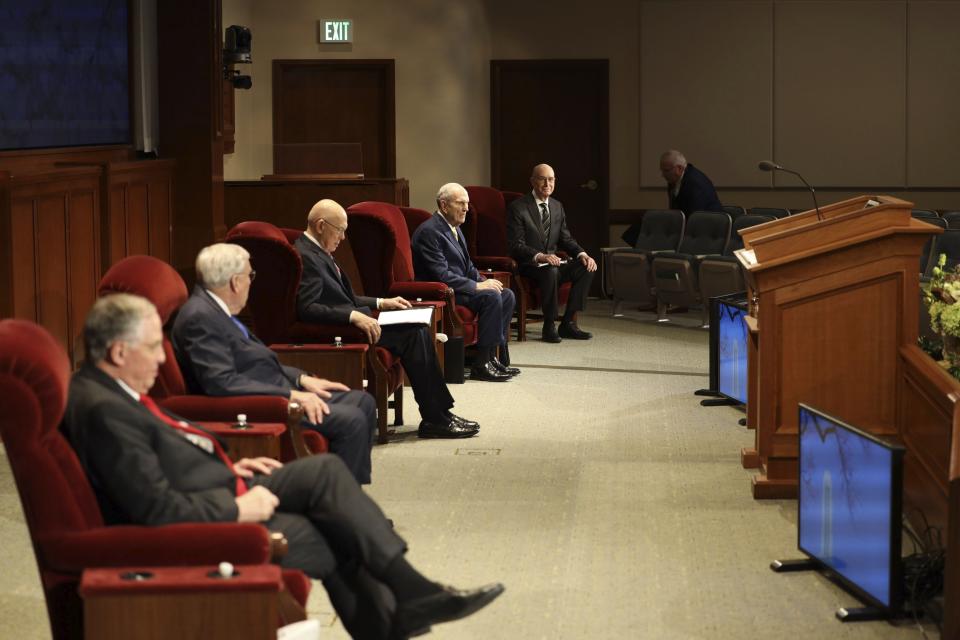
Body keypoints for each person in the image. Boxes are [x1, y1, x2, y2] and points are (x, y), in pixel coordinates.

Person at [63, 293, 504, 640]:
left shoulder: (109, 388)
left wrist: (233, 468)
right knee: (330, 532)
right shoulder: (104, 411)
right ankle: (406, 603)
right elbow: (154, 509)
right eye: (153, 347)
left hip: (222, 482)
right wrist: (237, 508)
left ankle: (409, 593)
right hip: (205, 519)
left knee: (326, 474)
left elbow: (169, 443)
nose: (162, 359)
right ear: (120, 351)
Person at [170, 243, 375, 485]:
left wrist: (301, 379)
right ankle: (346, 510)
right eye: (250, 275)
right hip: (266, 403)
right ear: (235, 282)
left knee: (363, 401)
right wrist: (291, 395)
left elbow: (255, 359)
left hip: (276, 386)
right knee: (351, 420)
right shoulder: (200, 318)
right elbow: (222, 383)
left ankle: (350, 497)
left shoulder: (216, 309)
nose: (251, 282)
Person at [294, 199, 480, 438]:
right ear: (321, 225)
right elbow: (307, 308)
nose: (342, 238)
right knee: (414, 334)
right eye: (340, 230)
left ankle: (440, 414)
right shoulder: (306, 255)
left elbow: (347, 297)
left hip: (356, 322)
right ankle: (436, 418)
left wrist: (383, 303)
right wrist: (353, 316)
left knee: (419, 328)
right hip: (343, 330)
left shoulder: (318, 251)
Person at [411, 183, 519, 382]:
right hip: (443, 292)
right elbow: (441, 274)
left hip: (459, 288)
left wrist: (485, 281)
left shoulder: (455, 228)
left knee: (506, 294)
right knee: (491, 297)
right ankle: (481, 365)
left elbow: (468, 266)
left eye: (467, 203)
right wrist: (477, 286)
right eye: (461, 203)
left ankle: (492, 357)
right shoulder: (430, 232)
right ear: (444, 205)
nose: (466, 208)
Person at [506, 163, 597, 343]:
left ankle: (567, 323)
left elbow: (566, 239)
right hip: (530, 265)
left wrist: (583, 254)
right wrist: (540, 256)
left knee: (587, 267)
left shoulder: (557, 206)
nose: (547, 183)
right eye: (542, 179)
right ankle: (549, 326)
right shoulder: (518, 207)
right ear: (532, 181)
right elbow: (515, 245)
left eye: (551, 179)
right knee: (550, 270)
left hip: (553, 264)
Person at [659, 149, 723, 215]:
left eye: (666, 170)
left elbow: (694, 217)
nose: (662, 175)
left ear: (679, 168)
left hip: (708, 223)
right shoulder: (673, 180)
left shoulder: (695, 184)